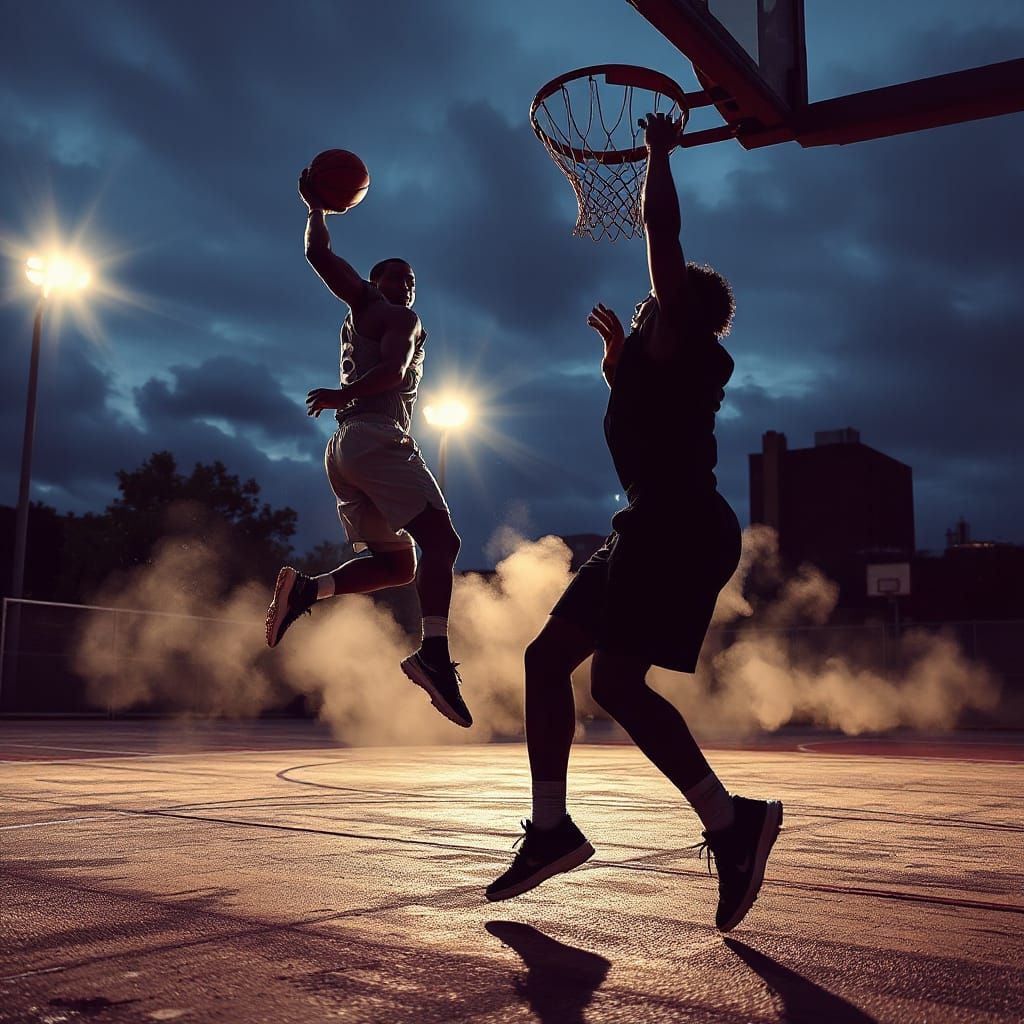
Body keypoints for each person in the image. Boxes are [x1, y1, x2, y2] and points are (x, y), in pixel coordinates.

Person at [486, 113, 782, 931]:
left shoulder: (688, 348)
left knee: (615, 683)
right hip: (646, 528)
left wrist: (657, 153)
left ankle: (733, 825)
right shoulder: (648, 374)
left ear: (677, 315)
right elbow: (640, 437)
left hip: (682, 530)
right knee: (548, 661)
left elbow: (663, 233)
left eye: (657, 305)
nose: (645, 310)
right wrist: (615, 371)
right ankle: (552, 831)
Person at [265, 167, 471, 729]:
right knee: (443, 543)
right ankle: (433, 655)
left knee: (398, 564)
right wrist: (346, 392)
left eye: (411, 281)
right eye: (395, 277)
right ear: (373, 285)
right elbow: (394, 369)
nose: (406, 286)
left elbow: (319, 257)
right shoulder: (398, 318)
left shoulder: (359, 311)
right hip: (376, 435)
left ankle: (310, 590)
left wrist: (316, 211)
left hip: (343, 450)